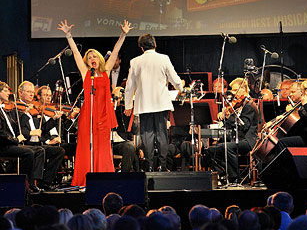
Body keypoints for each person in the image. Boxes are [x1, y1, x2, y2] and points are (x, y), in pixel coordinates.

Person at [58, 18, 133, 186]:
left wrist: (123, 34)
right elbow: (76, 54)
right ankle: (84, 180)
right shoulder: (86, 73)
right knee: (86, 147)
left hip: (103, 115)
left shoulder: (106, 71)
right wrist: (69, 35)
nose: (92, 58)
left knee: (102, 148)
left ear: (99, 59)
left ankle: (103, 179)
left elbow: (115, 51)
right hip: (88, 114)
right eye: (89, 56)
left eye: (94, 56)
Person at [124, 33, 183, 171]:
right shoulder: (164, 58)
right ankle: (162, 165)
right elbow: (174, 78)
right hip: (161, 103)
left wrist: (128, 105)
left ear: (141, 47)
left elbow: (129, 86)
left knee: (147, 135)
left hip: (144, 104)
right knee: (162, 135)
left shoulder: (135, 61)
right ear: (155, 44)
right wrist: (180, 88)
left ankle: (149, 166)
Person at [205, 77, 259, 184]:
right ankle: (223, 173)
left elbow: (243, 125)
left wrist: (228, 117)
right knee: (211, 150)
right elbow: (231, 125)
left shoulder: (250, 105)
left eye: (235, 90)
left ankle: (235, 178)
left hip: (248, 140)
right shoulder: (239, 104)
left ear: (243, 89)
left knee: (227, 147)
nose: (233, 94)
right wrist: (225, 115)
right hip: (236, 139)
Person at [18, 81, 65, 190]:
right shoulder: (16, 108)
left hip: (37, 143)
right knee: (40, 151)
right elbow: (16, 128)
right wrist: (29, 133)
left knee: (59, 151)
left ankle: (45, 182)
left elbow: (42, 130)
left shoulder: (34, 109)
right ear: (20, 93)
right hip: (27, 143)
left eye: (32, 92)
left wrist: (53, 119)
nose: (31, 94)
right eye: (28, 92)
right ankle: (33, 183)